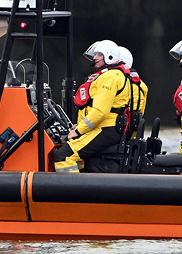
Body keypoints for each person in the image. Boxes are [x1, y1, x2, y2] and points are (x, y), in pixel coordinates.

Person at [54, 39, 132, 173]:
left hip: (106, 128)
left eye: (99, 55)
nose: (95, 58)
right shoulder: (113, 75)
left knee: (63, 156)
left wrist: (78, 131)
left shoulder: (110, 77)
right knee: (78, 155)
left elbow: (100, 112)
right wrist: (79, 126)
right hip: (105, 127)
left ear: (109, 56)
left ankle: (72, 191)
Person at [114, 45, 150, 118]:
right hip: (133, 126)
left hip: (113, 125)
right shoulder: (142, 85)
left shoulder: (115, 81)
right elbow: (141, 111)